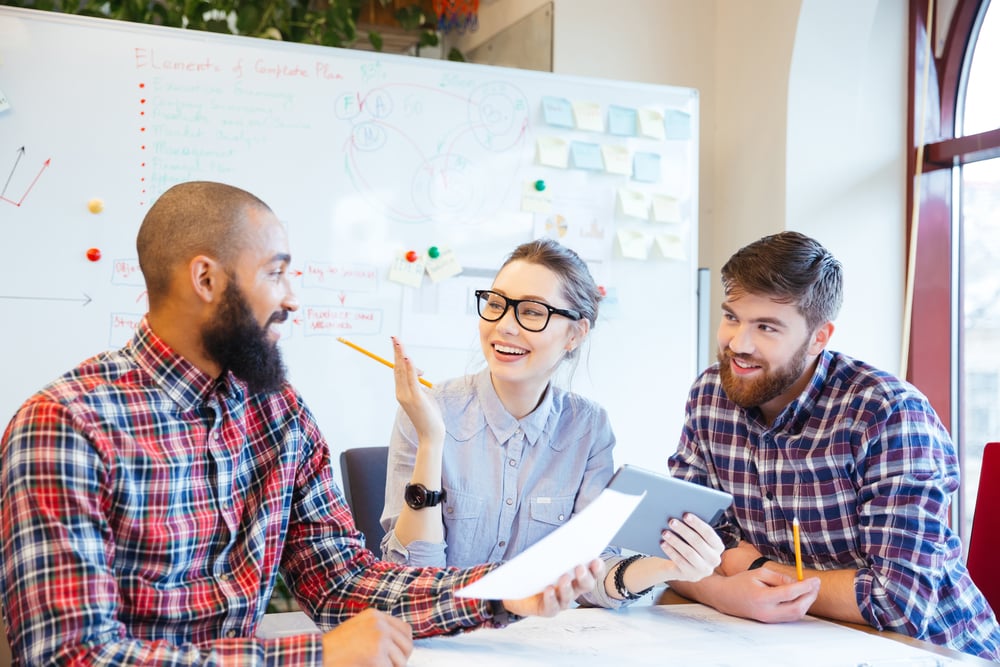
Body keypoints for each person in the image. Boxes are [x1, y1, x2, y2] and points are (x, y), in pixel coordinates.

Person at [0, 181, 604, 667]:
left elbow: (342, 581)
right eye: (275, 273)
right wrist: (313, 655)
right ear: (206, 279)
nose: (292, 299)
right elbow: (72, 655)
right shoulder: (65, 426)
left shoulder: (277, 413)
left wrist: (498, 591)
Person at [666, 231, 1000, 659]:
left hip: (930, 651)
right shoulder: (711, 395)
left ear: (820, 337)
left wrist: (752, 568)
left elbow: (897, 600)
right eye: (732, 317)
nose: (738, 344)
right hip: (790, 642)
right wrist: (728, 589)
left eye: (766, 327)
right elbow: (680, 546)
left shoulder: (887, 414)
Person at [380, 238, 724, 608]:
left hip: (542, 640)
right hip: (446, 638)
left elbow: (590, 574)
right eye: (496, 304)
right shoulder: (429, 412)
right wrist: (432, 440)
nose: (505, 326)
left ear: (575, 335)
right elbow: (412, 583)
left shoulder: (589, 429)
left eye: (531, 312)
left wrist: (667, 566)